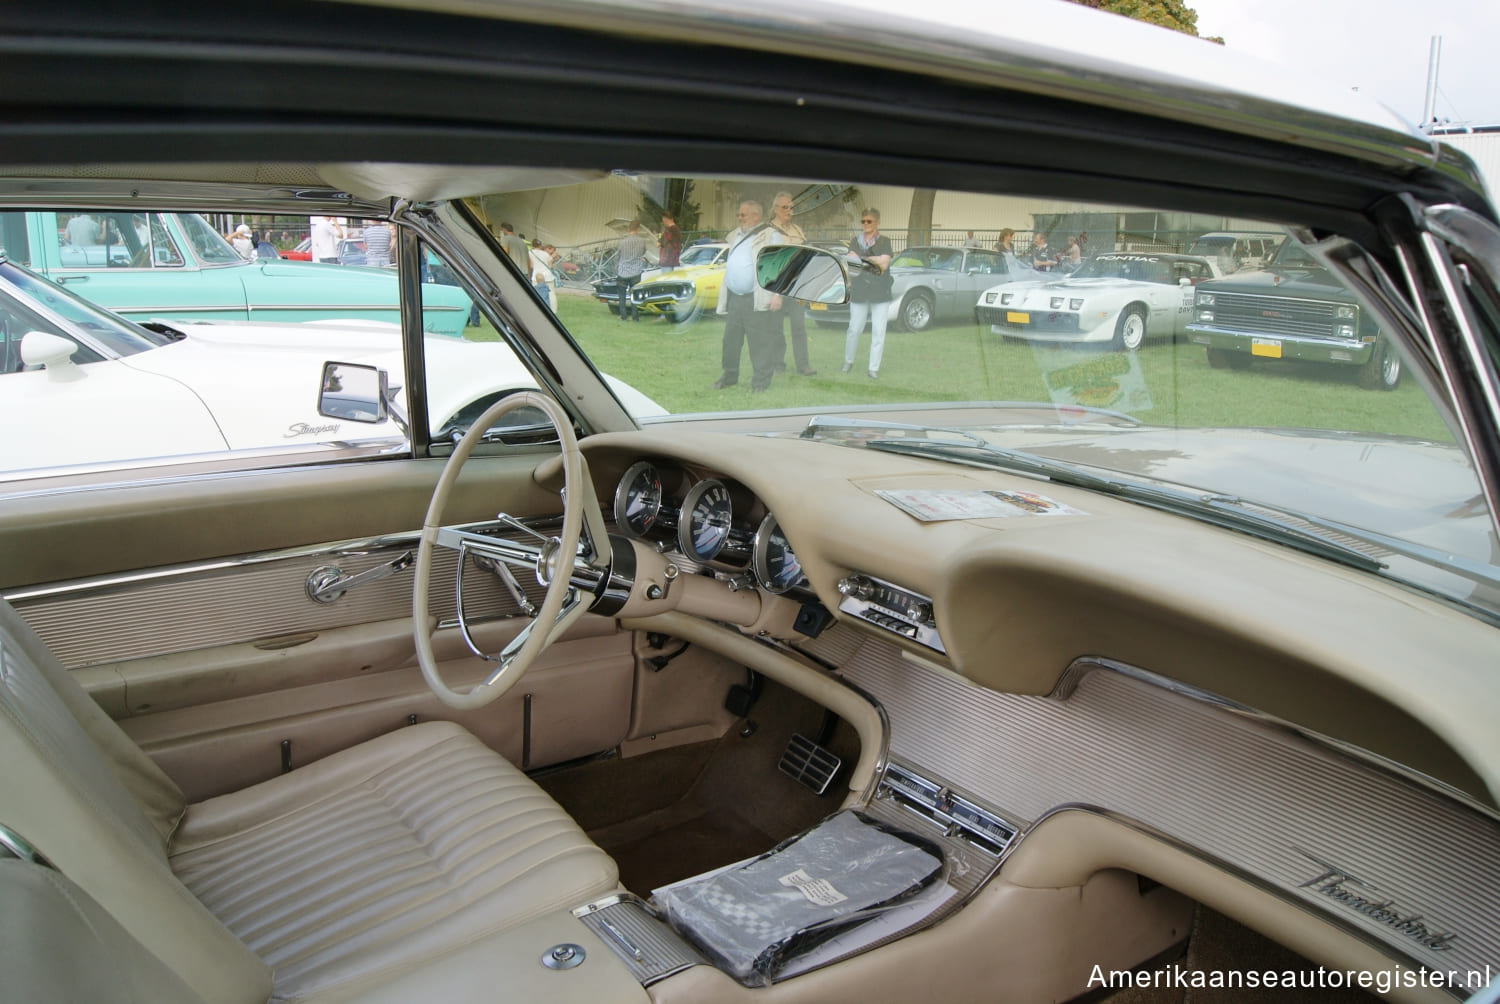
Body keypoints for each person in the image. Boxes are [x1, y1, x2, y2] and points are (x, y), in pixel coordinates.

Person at [712, 199, 783, 391]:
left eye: (743, 214)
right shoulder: (735, 235)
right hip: (736, 298)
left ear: (756, 216)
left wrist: (777, 295)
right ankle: (729, 377)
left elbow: (780, 266)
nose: (739, 218)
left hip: (756, 298)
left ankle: (760, 383)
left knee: (759, 344)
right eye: (738, 214)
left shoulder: (771, 236)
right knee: (730, 341)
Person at [842, 207, 894, 379]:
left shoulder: (885, 241)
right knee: (854, 329)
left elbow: (884, 265)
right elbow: (853, 265)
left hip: (880, 291)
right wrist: (874, 260)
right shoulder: (855, 241)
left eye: (869, 221)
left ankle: (873, 367)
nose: (865, 224)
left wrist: (864, 259)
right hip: (859, 290)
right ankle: (848, 361)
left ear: (877, 223)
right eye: (863, 221)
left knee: (879, 331)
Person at [770, 191, 815, 376]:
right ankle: (778, 365)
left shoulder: (798, 231)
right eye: (785, 207)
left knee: (799, 327)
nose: (790, 211)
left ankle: (803, 366)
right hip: (777, 287)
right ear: (775, 209)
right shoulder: (768, 231)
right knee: (775, 328)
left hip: (796, 287)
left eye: (791, 207)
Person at [614, 220, 650, 322]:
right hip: (636, 271)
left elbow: (618, 256)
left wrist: (616, 268)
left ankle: (623, 316)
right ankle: (635, 317)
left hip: (623, 271)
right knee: (635, 295)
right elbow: (644, 253)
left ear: (629, 229)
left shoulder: (622, 242)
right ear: (637, 230)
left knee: (622, 295)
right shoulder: (642, 241)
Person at [530, 241, 558, 310]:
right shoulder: (545, 254)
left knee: (535, 292)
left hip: (536, 275)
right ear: (540, 245)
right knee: (551, 293)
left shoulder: (530, 253)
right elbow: (550, 266)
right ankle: (553, 310)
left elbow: (531, 265)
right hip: (547, 275)